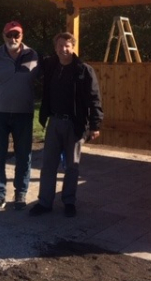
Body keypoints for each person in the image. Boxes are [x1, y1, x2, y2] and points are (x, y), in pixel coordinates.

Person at [30, 32, 103, 218]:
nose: (64, 49)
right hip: (54, 122)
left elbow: (94, 99)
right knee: (48, 165)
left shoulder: (84, 70)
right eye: (60, 46)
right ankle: (45, 202)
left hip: (75, 124)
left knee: (72, 166)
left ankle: (69, 201)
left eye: (67, 46)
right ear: (55, 48)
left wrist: (95, 125)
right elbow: (33, 57)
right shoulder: (50, 66)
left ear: (73, 47)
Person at [0, 21, 39, 214]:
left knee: (24, 156)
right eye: (9, 35)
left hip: (24, 114)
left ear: (22, 36)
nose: (13, 38)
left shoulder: (33, 55)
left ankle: (20, 194)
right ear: (3, 36)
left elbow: (47, 82)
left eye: (17, 35)